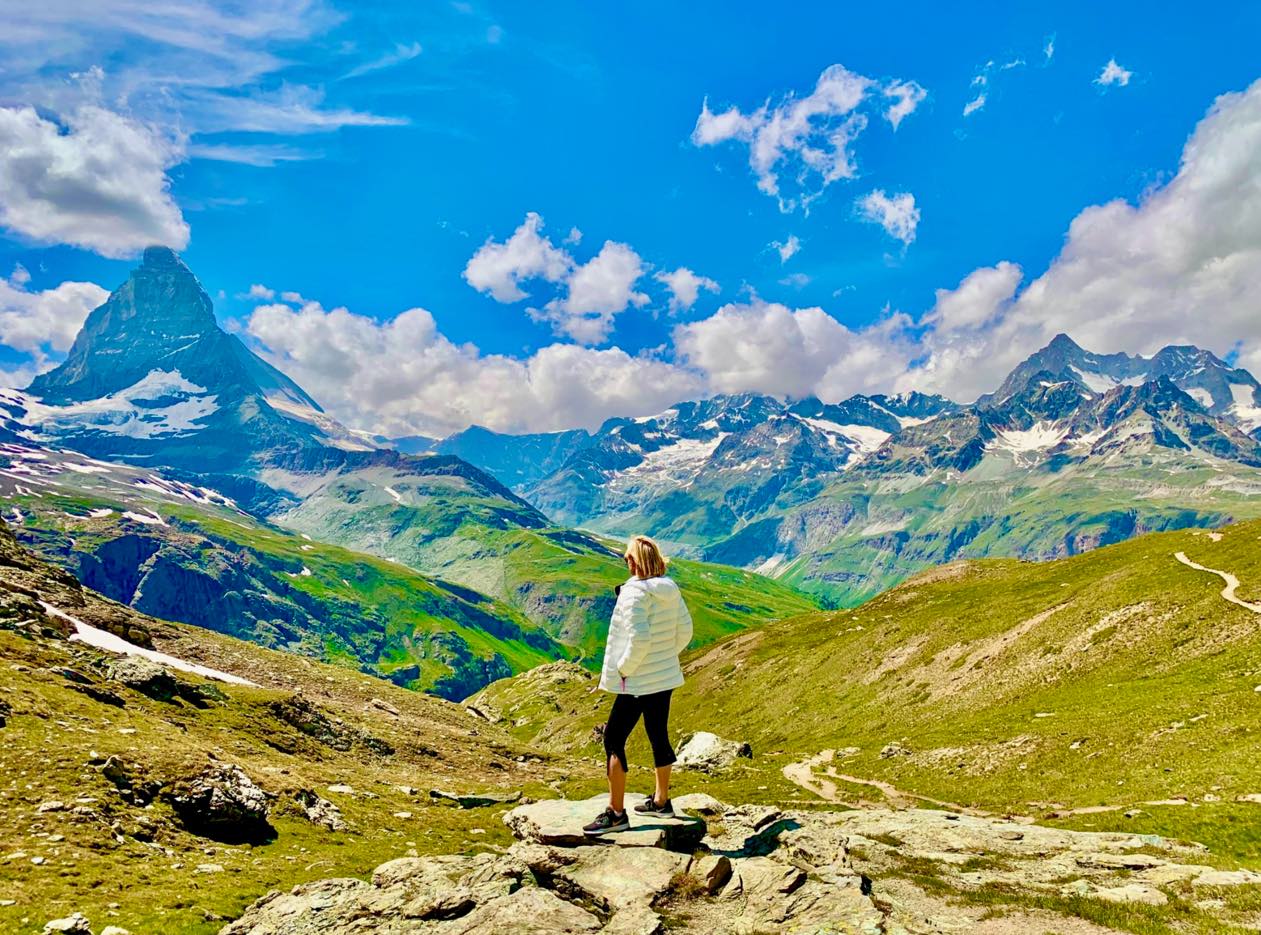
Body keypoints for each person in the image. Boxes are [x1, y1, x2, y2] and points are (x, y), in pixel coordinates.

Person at [583, 535, 693, 836]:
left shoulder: (633, 594)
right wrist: (665, 656)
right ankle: (661, 801)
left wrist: (624, 669)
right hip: (664, 675)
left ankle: (616, 813)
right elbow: (685, 630)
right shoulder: (670, 589)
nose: (625, 561)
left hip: (637, 680)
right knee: (658, 733)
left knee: (614, 739)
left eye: (627, 557)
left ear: (634, 562)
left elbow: (639, 639)